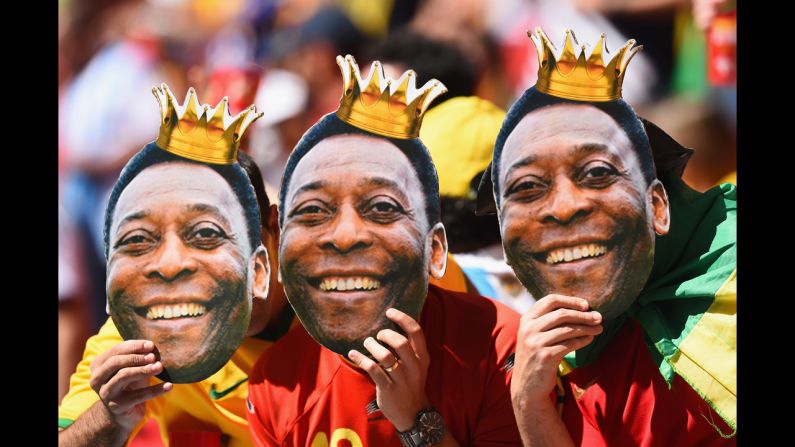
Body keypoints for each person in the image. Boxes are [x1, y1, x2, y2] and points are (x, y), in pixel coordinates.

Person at [477, 28, 736, 445]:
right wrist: (528, 403)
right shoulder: (555, 356)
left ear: (657, 205)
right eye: (527, 188)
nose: (563, 208)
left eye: (597, 173)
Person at [246, 55, 522, 446]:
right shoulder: (275, 381)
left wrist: (416, 419)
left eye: (381, 208)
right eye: (312, 211)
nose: (344, 237)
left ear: (435, 249)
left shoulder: (501, 345)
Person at [59, 85, 294, 446]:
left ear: (273, 229)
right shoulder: (144, 332)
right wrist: (110, 416)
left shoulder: (342, 301)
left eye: (209, 234)